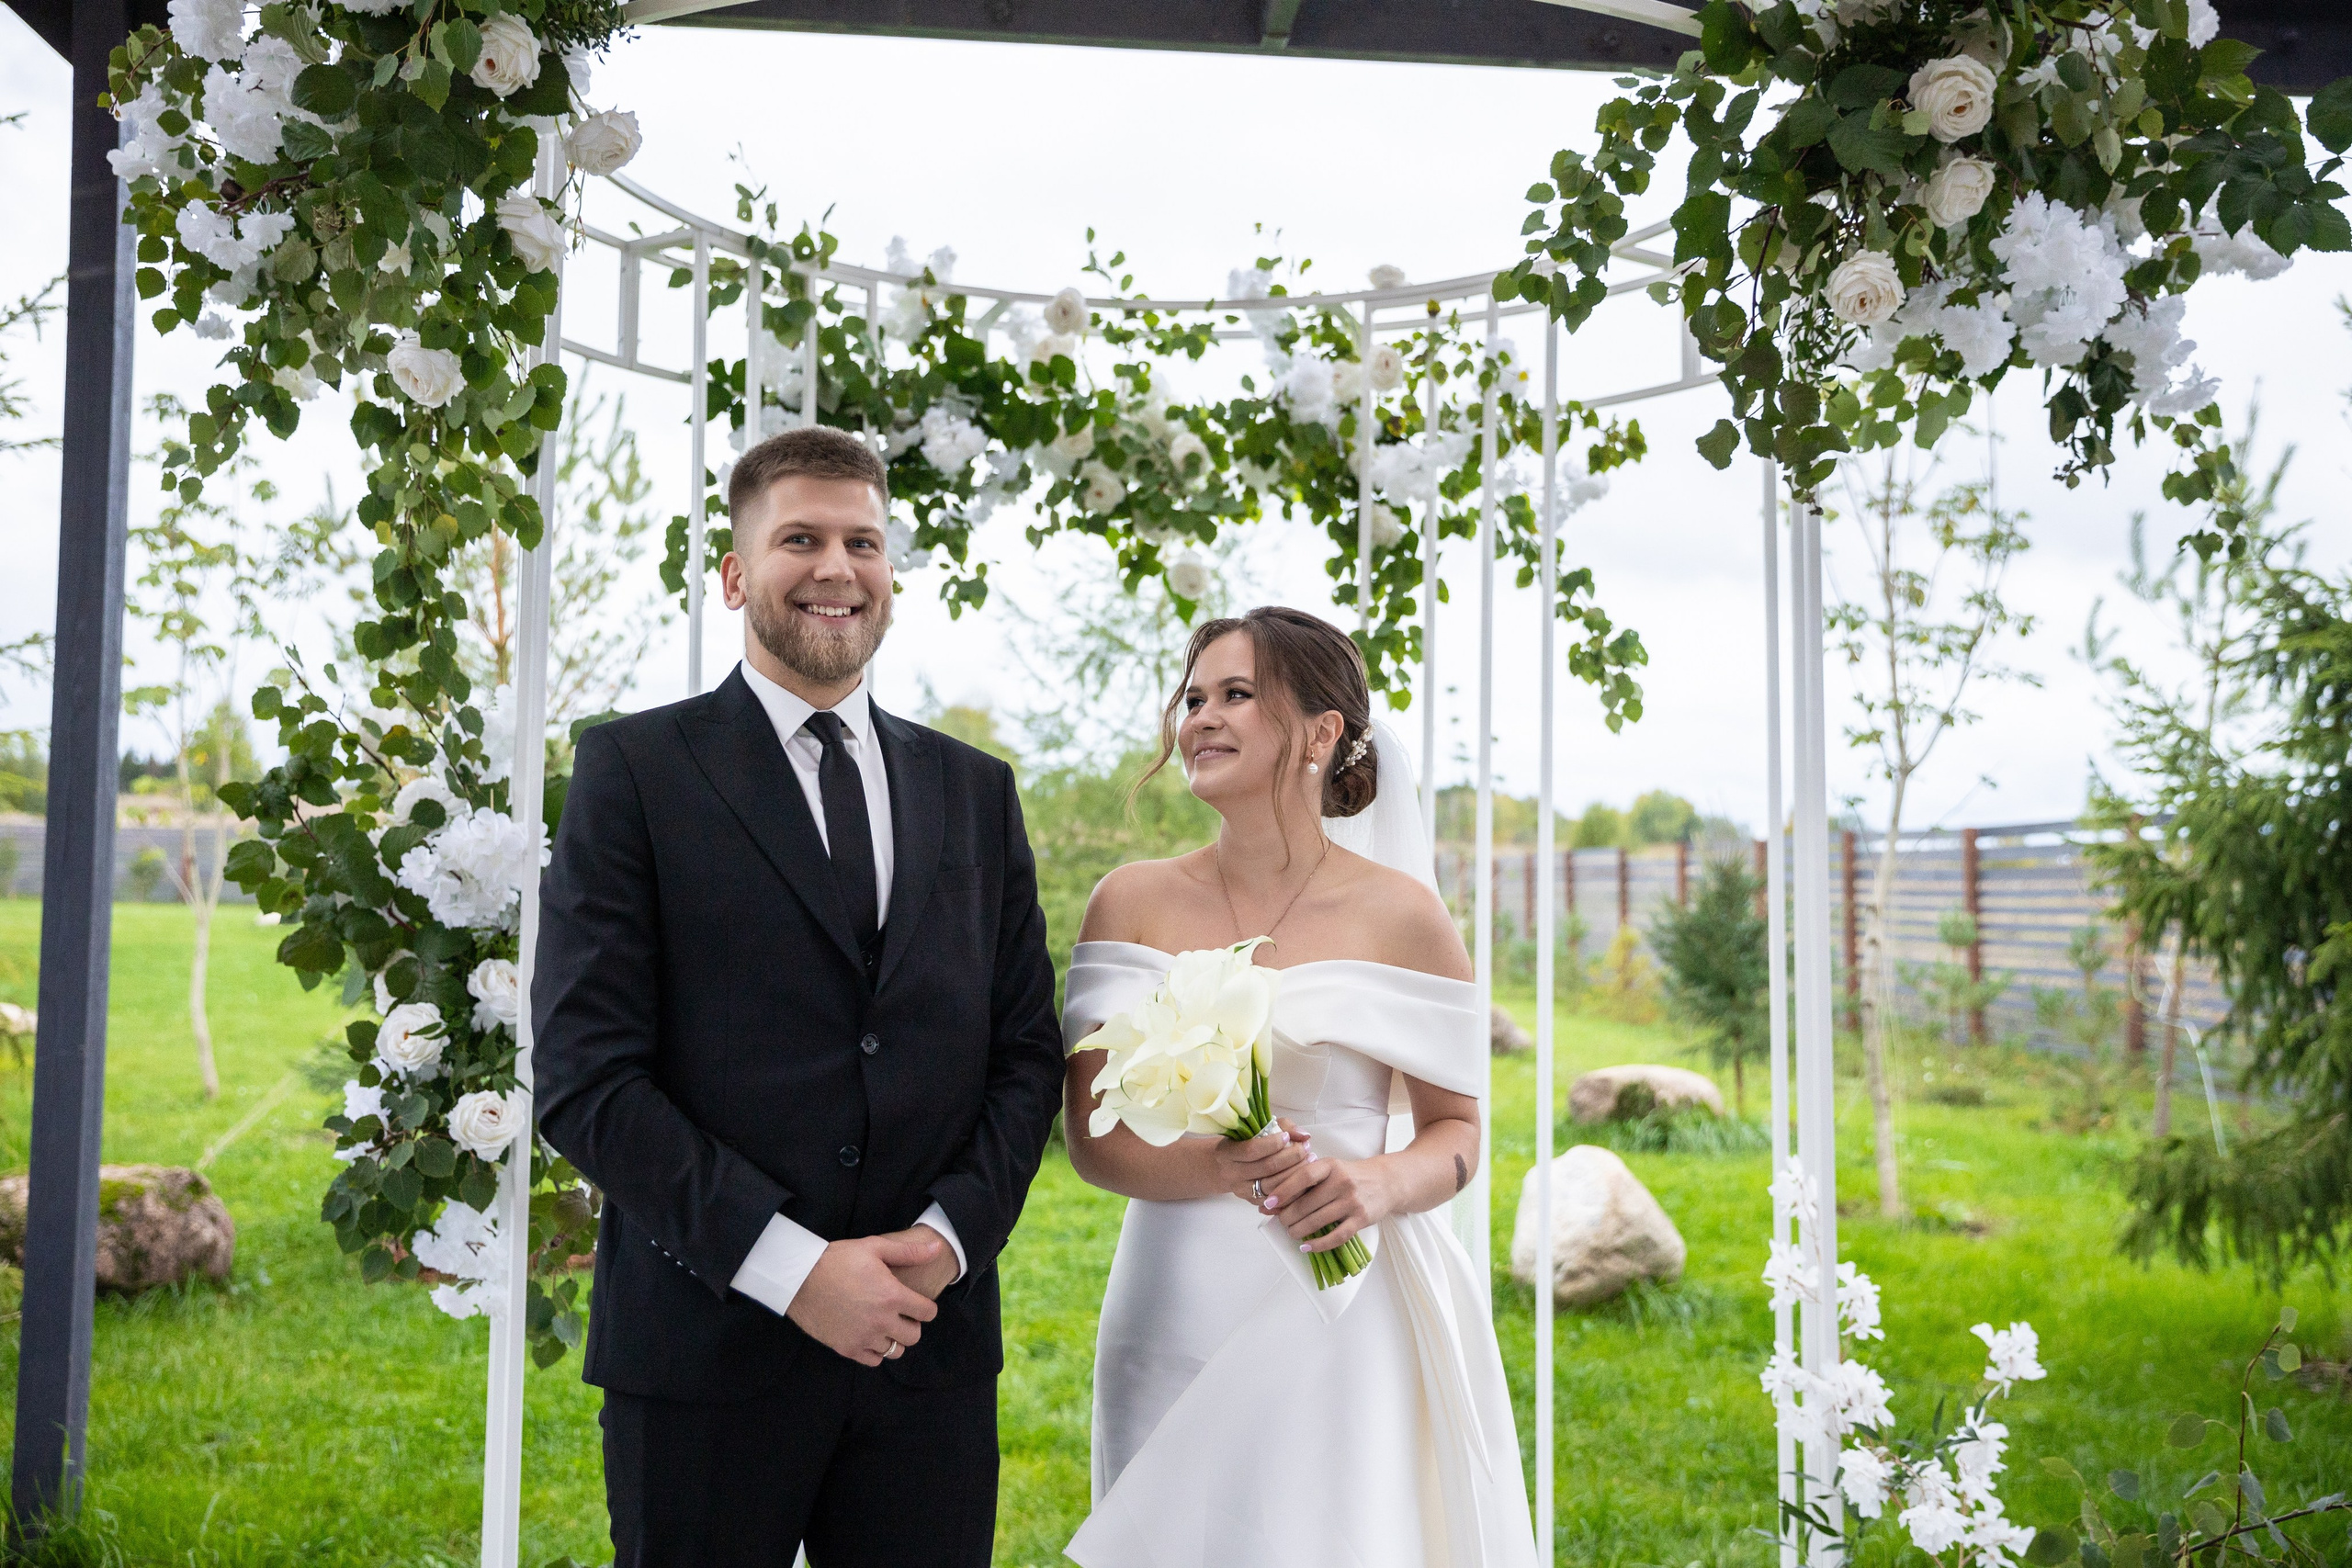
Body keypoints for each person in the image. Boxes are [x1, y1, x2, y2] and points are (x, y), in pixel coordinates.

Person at [533, 424, 1065, 1568]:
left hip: (930, 1346)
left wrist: (947, 1237)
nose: (837, 567)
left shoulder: (976, 791)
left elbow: (1026, 1053)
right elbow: (587, 1079)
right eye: (801, 539)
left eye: (862, 541)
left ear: (890, 578)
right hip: (705, 1348)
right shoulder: (633, 771)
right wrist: (794, 1271)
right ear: (735, 575)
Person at [1060, 606, 1539, 1567]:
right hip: (1173, 1297)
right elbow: (1095, 1140)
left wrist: (1374, 1186)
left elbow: (1455, 1134)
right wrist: (1222, 1165)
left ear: (1322, 732)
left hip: (1347, 1302)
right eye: (1192, 697)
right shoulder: (1130, 899)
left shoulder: (1403, 915)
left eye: (1236, 694)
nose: (1200, 716)